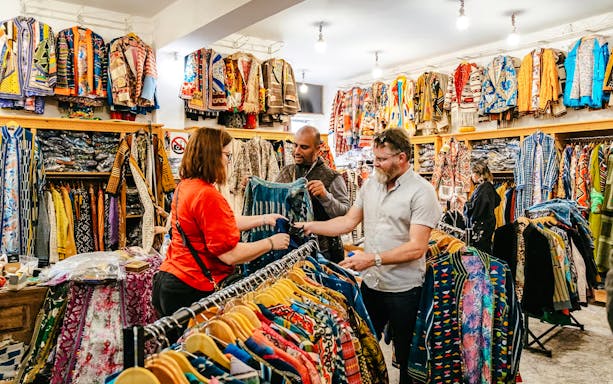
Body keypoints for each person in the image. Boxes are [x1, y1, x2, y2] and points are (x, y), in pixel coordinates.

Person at [298, 128, 442, 384]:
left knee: (408, 359)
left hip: (404, 289)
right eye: (374, 157)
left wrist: (372, 259)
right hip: (372, 286)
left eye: (382, 159)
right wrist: (309, 227)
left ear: (402, 157)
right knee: (363, 349)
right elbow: (348, 221)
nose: (376, 163)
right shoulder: (371, 185)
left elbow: (417, 248)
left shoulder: (422, 192)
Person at [152, 127, 290, 318]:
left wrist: (264, 219)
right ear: (212, 156)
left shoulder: (186, 186)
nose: (228, 161)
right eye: (227, 155)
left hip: (170, 280)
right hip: (192, 288)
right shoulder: (206, 195)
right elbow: (230, 255)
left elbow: (220, 222)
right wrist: (271, 243)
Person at [276, 125, 350, 263]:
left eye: (304, 147)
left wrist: (325, 197)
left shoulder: (332, 177)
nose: (296, 151)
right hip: (288, 248)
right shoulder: (286, 172)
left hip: (324, 251)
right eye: (295, 145)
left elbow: (345, 215)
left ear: (317, 149)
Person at [463, 161, 501, 254]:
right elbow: (497, 200)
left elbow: (476, 211)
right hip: (486, 225)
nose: (471, 176)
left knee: (480, 252)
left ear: (478, 174)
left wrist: (465, 204)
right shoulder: (487, 187)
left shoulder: (484, 188)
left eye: (472, 173)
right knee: (484, 250)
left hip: (481, 227)